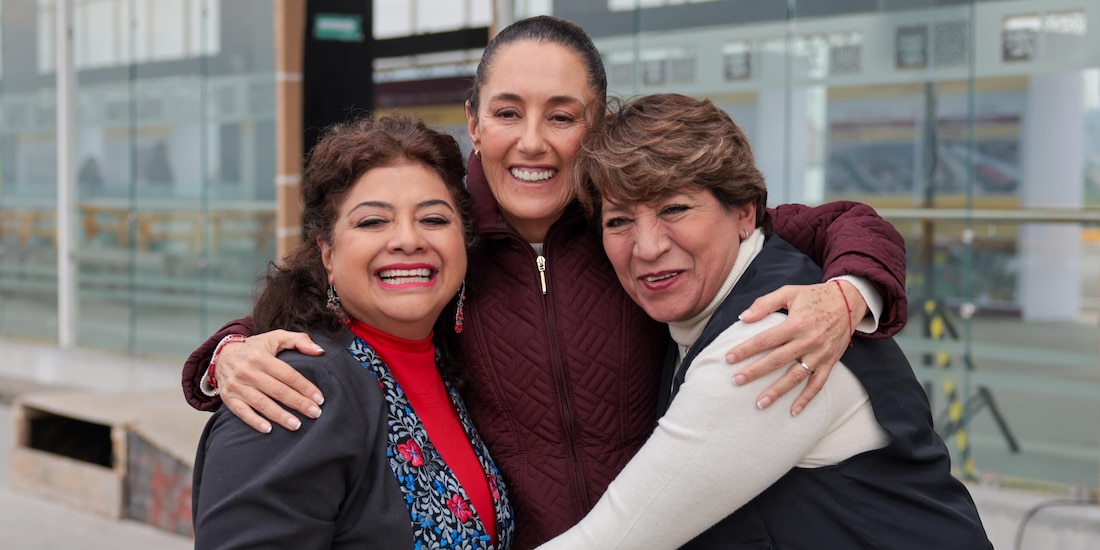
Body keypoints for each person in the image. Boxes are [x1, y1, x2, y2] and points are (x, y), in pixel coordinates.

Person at [181, 16, 910, 548]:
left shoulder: (629, 223)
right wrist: (230, 352)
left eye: (562, 117)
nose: (532, 142)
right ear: (474, 121)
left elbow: (836, 220)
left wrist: (846, 295)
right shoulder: (443, 229)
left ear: (595, 128)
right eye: (507, 113)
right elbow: (335, 283)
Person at [536, 93, 990, 549]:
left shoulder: (769, 340)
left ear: (745, 213)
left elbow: (611, 541)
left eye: (674, 208)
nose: (648, 247)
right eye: (618, 221)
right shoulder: (730, 290)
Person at [191, 114, 514, 549]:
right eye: (372, 222)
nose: (408, 239)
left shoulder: (452, 362)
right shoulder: (292, 390)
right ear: (327, 253)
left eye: (434, 219)